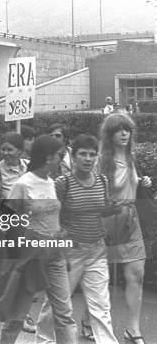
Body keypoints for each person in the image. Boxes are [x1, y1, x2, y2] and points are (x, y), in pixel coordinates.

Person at [35, 134, 118, 344]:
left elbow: (102, 210)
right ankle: (44, 341)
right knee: (55, 306)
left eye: (92, 154)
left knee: (101, 308)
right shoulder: (63, 183)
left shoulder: (102, 181)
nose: (88, 159)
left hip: (97, 252)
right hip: (69, 255)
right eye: (83, 154)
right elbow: (52, 216)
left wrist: (114, 209)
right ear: (73, 156)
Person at [0, 135, 77, 344]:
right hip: (30, 257)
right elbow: (5, 219)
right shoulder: (23, 184)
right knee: (17, 317)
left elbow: (53, 218)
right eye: (60, 156)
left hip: (55, 256)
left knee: (64, 314)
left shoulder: (52, 183)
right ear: (48, 157)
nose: (63, 160)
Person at [97, 113, 151, 344]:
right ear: (110, 134)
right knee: (100, 277)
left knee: (136, 274)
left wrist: (143, 182)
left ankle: (133, 329)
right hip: (108, 221)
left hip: (131, 220)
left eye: (127, 129)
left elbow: (132, 185)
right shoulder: (101, 160)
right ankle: (90, 321)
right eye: (119, 129)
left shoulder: (131, 157)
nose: (124, 134)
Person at [0, 132, 35, 334]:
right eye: (3, 149)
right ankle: (18, 314)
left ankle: (7, 307)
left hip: (30, 224)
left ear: (20, 151)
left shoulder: (28, 166)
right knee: (17, 269)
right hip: (10, 225)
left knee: (19, 270)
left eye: (10, 149)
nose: (6, 153)